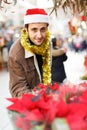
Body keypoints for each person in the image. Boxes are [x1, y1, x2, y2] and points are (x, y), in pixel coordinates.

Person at [8, 8, 52, 97]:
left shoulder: (47, 43)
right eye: (34, 30)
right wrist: (38, 99)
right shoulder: (16, 53)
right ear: (26, 30)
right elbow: (18, 88)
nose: (39, 35)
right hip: (30, 104)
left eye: (43, 29)